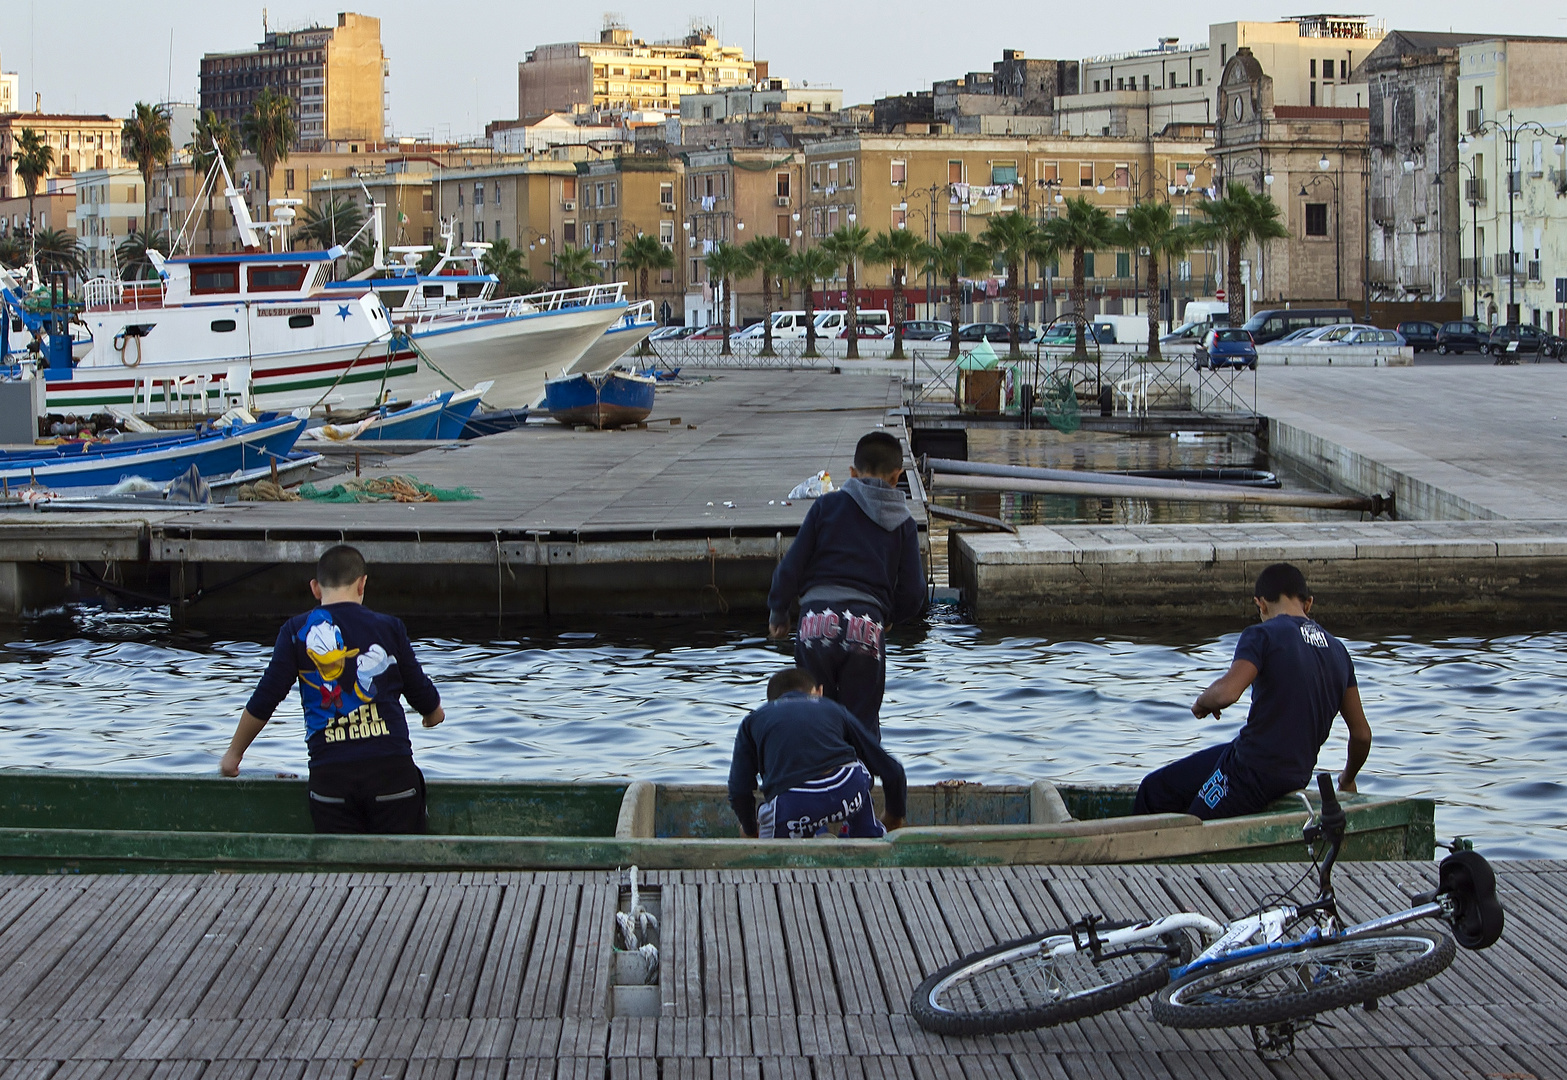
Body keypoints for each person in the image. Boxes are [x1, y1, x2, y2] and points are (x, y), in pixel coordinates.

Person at [220, 544, 446, 834]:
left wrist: (233, 756)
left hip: (331, 781)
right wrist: (432, 715)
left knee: (339, 877)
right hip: (392, 776)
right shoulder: (390, 628)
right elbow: (422, 695)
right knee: (403, 869)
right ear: (363, 583)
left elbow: (266, 698)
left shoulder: (294, 631)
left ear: (315, 588)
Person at [1133, 563, 1371, 820]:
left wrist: (1203, 702)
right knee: (1157, 787)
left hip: (1251, 771)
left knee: (1185, 819)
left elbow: (1227, 694)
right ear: (1308, 603)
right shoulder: (1338, 651)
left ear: (1261, 604)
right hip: (1296, 774)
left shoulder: (1262, 634)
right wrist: (1347, 780)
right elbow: (1361, 735)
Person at [767, 431, 925, 736]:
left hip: (814, 622)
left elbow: (791, 566)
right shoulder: (904, 523)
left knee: (813, 720)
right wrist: (889, 618)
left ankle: (813, 779)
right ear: (898, 477)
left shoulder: (826, 507)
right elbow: (914, 592)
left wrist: (779, 612)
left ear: (852, 472)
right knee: (860, 727)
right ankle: (857, 781)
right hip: (865, 629)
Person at [728, 667, 907, 840]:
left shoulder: (753, 720)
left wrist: (750, 829)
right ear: (818, 692)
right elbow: (891, 769)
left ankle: (812, 836)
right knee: (857, 766)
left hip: (792, 803)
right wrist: (895, 817)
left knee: (761, 846)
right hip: (847, 790)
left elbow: (739, 789)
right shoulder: (832, 707)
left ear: (771, 702)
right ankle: (868, 834)